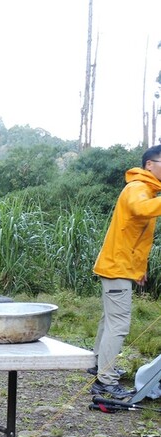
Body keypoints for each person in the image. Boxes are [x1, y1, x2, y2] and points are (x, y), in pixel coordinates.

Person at [90, 145, 161, 399]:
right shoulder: (137, 188)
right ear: (149, 165)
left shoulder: (146, 189)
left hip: (120, 266)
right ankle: (105, 381)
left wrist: (139, 269)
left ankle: (98, 365)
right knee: (118, 324)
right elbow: (141, 209)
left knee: (109, 320)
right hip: (117, 267)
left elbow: (138, 239)